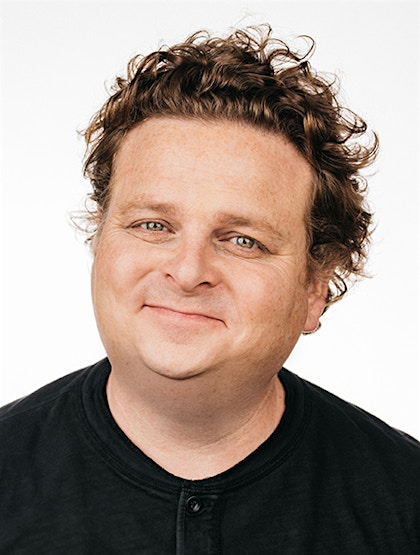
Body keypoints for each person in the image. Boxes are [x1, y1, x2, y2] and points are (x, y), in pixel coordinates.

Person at [1, 25, 419, 554]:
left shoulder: (406, 502)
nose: (187, 271)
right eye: (153, 225)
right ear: (99, 240)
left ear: (315, 287)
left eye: (243, 240)